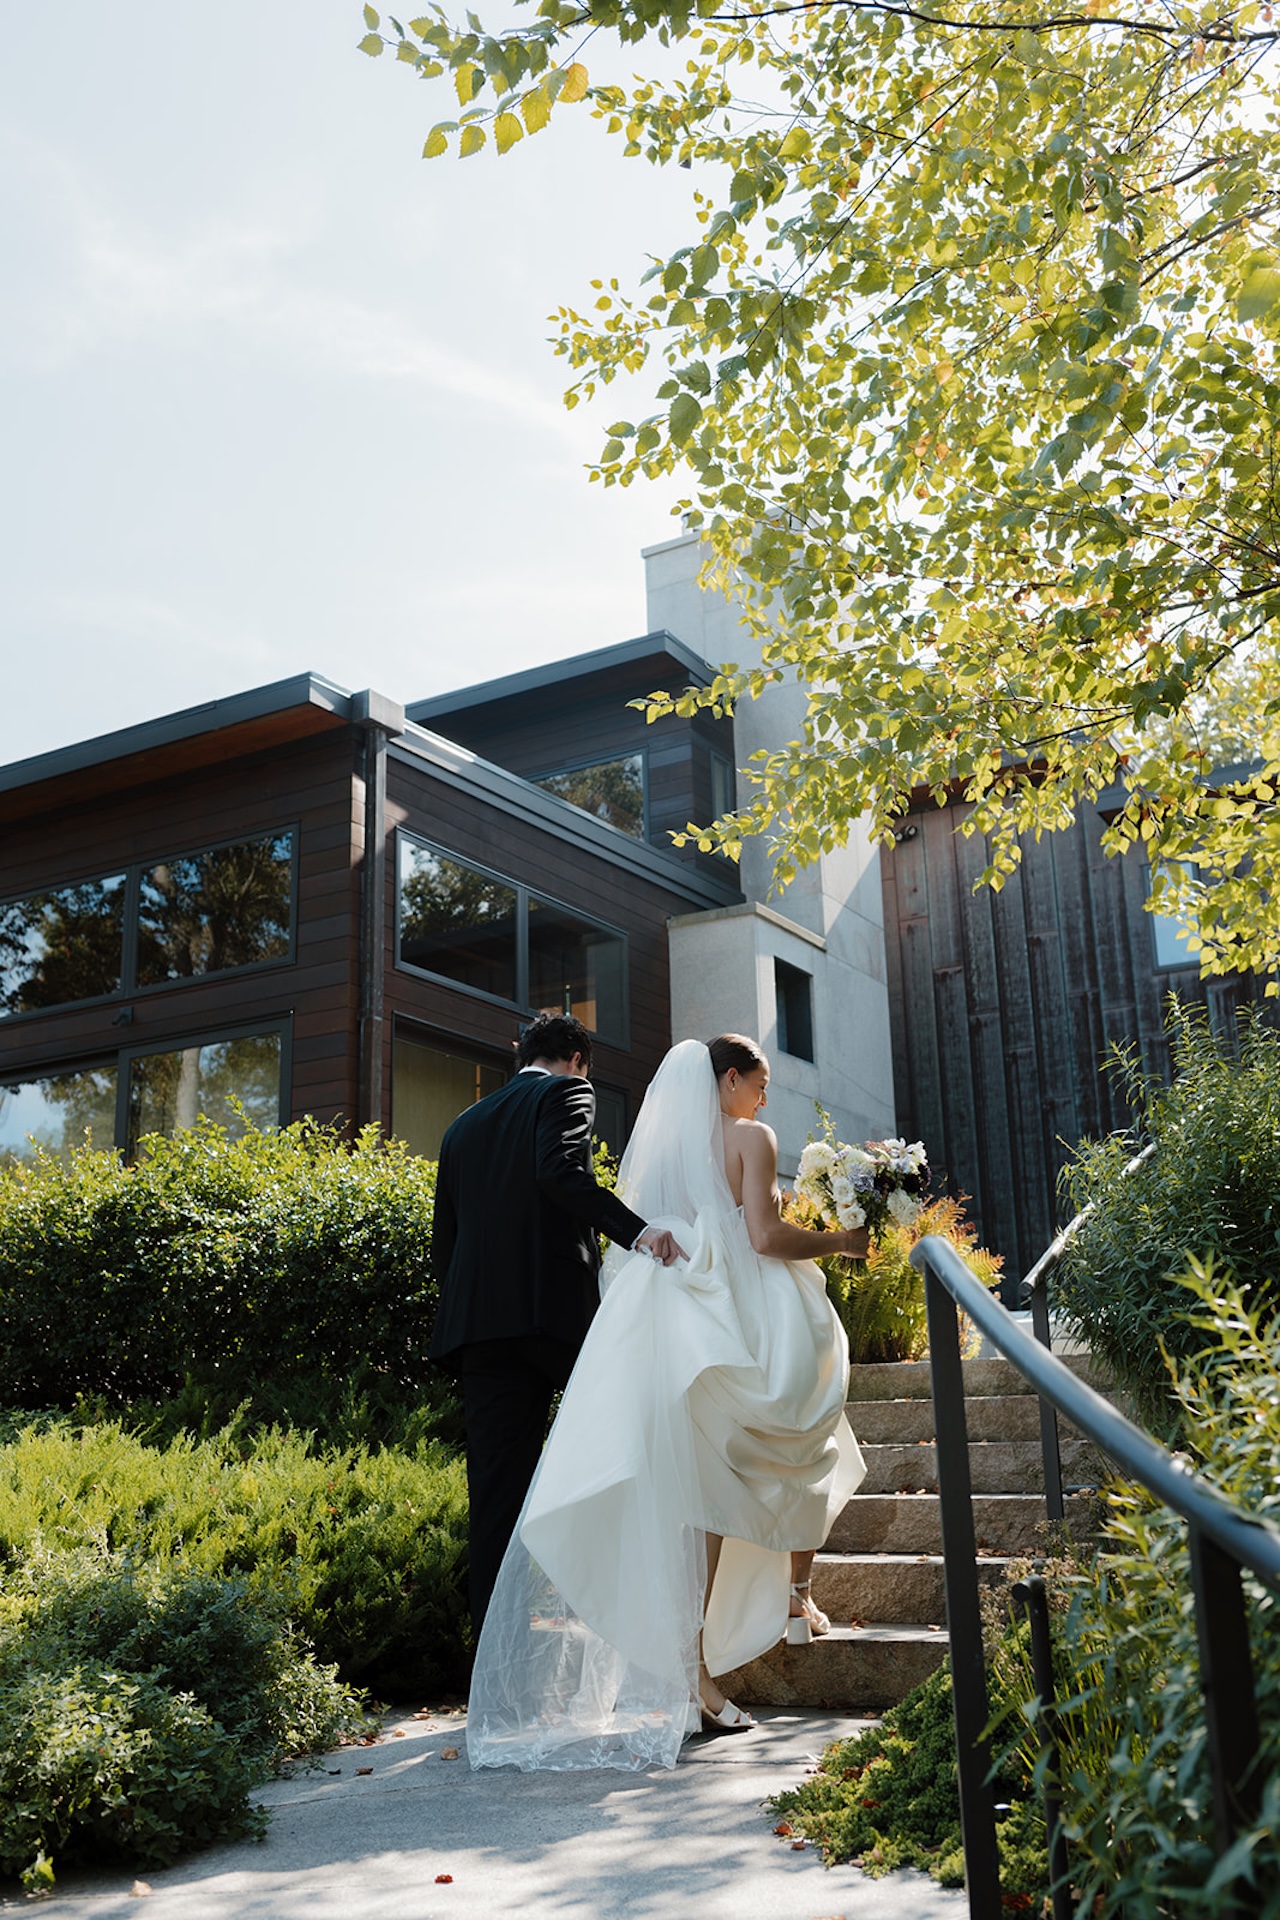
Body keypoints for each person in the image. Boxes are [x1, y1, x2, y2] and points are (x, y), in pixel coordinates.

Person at [466, 1032, 869, 1772]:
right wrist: (843, 1241)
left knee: (703, 1493)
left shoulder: (663, 1148)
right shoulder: (752, 1137)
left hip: (674, 1307)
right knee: (805, 1435)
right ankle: (785, 1601)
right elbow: (763, 1233)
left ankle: (696, 1669)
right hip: (741, 1308)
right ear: (728, 1079)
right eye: (759, 1081)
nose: (764, 1095)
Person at [430, 1012, 684, 1636]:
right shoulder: (567, 1091)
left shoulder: (462, 1125)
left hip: (478, 1329)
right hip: (553, 1319)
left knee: (494, 1499)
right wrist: (638, 1230)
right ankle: (626, 1629)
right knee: (620, 1456)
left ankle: (492, 1675)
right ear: (575, 1058)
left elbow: (446, 1245)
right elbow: (558, 1173)